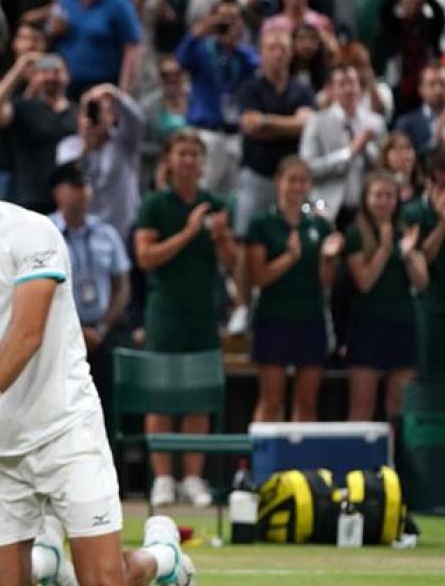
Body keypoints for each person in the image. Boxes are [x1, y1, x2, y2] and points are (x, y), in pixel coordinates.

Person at [0, 120, 195, 586]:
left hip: (64, 433)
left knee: (103, 581)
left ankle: (163, 559)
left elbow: (28, 333)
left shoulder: (31, 231)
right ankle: (50, 566)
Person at [134, 130, 238, 507]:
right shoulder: (155, 204)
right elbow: (145, 258)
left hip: (203, 312)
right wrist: (190, 231)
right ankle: (163, 478)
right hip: (165, 311)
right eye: (183, 154)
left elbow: (233, 264)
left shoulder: (216, 203)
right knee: (161, 396)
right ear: (169, 159)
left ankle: (193, 477)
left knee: (198, 397)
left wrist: (222, 239)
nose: (190, 161)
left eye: (196, 155)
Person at [244, 157, 343, 423]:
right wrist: (289, 258)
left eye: (303, 181)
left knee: (307, 402)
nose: (297, 187)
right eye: (292, 180)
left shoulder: (319, 225)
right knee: (271, 400)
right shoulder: (262, 223)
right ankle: (261, 463)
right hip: (273, 318)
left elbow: (326, 281)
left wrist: (328, 259)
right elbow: (257, 278)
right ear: (279, 182)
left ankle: (305, 463)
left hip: (310, 317)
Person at [48, 160, 131, 423]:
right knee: (61, 412)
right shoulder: (45, 232)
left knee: (104, 410)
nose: (83, 191)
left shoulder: (106, 233)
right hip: (58, 336)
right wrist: (73, 330)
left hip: (102, 334)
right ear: (58, 192)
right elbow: (40, 290)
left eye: (86, 185)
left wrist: (103, 327)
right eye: (74, 186)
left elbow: (122, 286)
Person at [344, 170, 430, 422]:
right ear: (367, 198)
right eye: (378, 195)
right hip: (368, 325)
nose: (383, 201)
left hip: (402, 323)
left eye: (389, 196)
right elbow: (365, 283)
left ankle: (397, 461)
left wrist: (407, 256)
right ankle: (356, 462)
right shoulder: (355, 234)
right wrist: (383, 249)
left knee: (398, 410)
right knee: (362, 407)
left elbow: (422, 282)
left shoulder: (406, 233)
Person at [235, 27, 317, 238]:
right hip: (257, 175)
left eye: (283, 49)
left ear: (291, 53)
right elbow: (250, 127)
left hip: (292, 180)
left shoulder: (303, 90)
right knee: (246, 235)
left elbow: (305, 126)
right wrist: (288, 126)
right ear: (262, 53)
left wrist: (266, 121)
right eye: (272, 48)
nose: (277, 54)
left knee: (294, 235)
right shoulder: (250, 88)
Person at [0, 52, 76, 213]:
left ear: (68, 75)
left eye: (57, 71)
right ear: (35, 77)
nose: (51, 77)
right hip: (28, 200)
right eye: (45, 72)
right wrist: (18, 70)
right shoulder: (24, 108)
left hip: (66, 204)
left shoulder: (77, 112)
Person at [299, 65, 387, 224]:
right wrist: (348, 153)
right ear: (330, 90)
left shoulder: (375, 122)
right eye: (342, 84)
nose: (349, 89)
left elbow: (384, 166)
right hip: (327, 208)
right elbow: (307, 168)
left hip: (366, 208)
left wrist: (366, 148)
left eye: (353, 83)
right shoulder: (316, 122)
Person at [56, 83, 145, 238]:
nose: (93, 116)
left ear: (113, 116)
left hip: (123, 227)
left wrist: (115, 94)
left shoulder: (124, 142)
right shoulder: (68, 146)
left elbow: (137, 120)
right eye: (88, 111)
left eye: (99, 111)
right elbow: (68, 180)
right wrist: (86, 149)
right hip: (85, 231)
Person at [50, 0, 143, 97]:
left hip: (102, 85)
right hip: (66, 84)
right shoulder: (66, 0)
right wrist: (55, 30)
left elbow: (132, 47)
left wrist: (123, 91)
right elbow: (49, 32)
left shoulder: (119, 5)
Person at [404, 148, 445, 377]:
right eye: (440, 185)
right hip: (429, 304)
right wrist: (442, 224)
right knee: (429, 374)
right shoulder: (413, 213)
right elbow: (422, 261)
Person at [395, 64, 445, 157]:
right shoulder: (406, 123)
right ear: (421, 89)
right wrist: (435, 140)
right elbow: (404, 159)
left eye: (442, 84)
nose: (438, 90)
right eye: (432, 84)